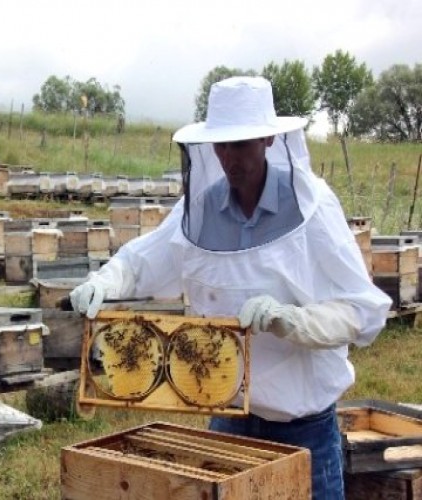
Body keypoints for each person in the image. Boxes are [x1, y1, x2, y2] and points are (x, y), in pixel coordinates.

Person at [70, 76, 392, 499]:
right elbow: (144, 259)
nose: (228, 158)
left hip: (304, 428)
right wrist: (104, 280)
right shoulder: (199, 209)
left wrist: (292, 320)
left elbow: (364, 310)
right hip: (226, 415)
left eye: (240, 145)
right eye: (221, 146)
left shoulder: (312, 206)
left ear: (269, 141)